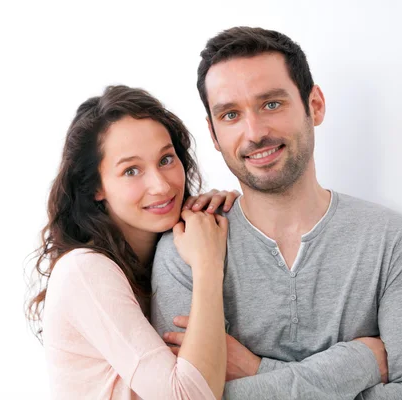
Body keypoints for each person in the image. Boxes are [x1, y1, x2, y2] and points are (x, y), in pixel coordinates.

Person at [151, 27, 402, 399]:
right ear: (213, 134)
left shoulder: (394, 243)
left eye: (271, 104)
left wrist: (257, 371)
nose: (255, 132)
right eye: (230, 115)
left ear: (315, 105)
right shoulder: (187, 246)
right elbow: (186, 397)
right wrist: (360, 362)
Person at [25, 84, 243, 400]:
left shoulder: (164, 252)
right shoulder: (84, 270)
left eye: (166, 159)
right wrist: (208, 265)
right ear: (96, 186)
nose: (160, 185)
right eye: (131, 170)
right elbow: (187, 397)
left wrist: (220, 214)